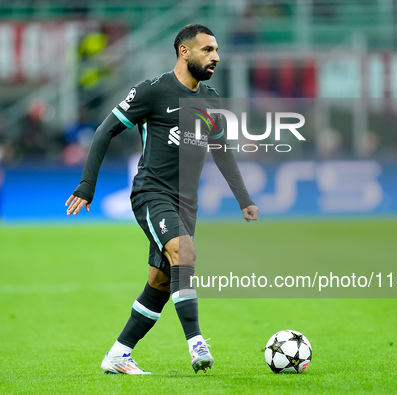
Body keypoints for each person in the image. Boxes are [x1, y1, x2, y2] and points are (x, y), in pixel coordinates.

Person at [65, 24, 259, 375]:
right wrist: (86, 186)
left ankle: (118, 355)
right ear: (184, 52)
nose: (215, 56)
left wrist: (243, 198)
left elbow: (222, 151)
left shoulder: (210, 99)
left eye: (216, 50)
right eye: (207, 50)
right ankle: (197, 343)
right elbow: (104, 130)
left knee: (161, 279)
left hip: (187, 204)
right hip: (152, 192)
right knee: (184, 253)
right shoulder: (152, 92)